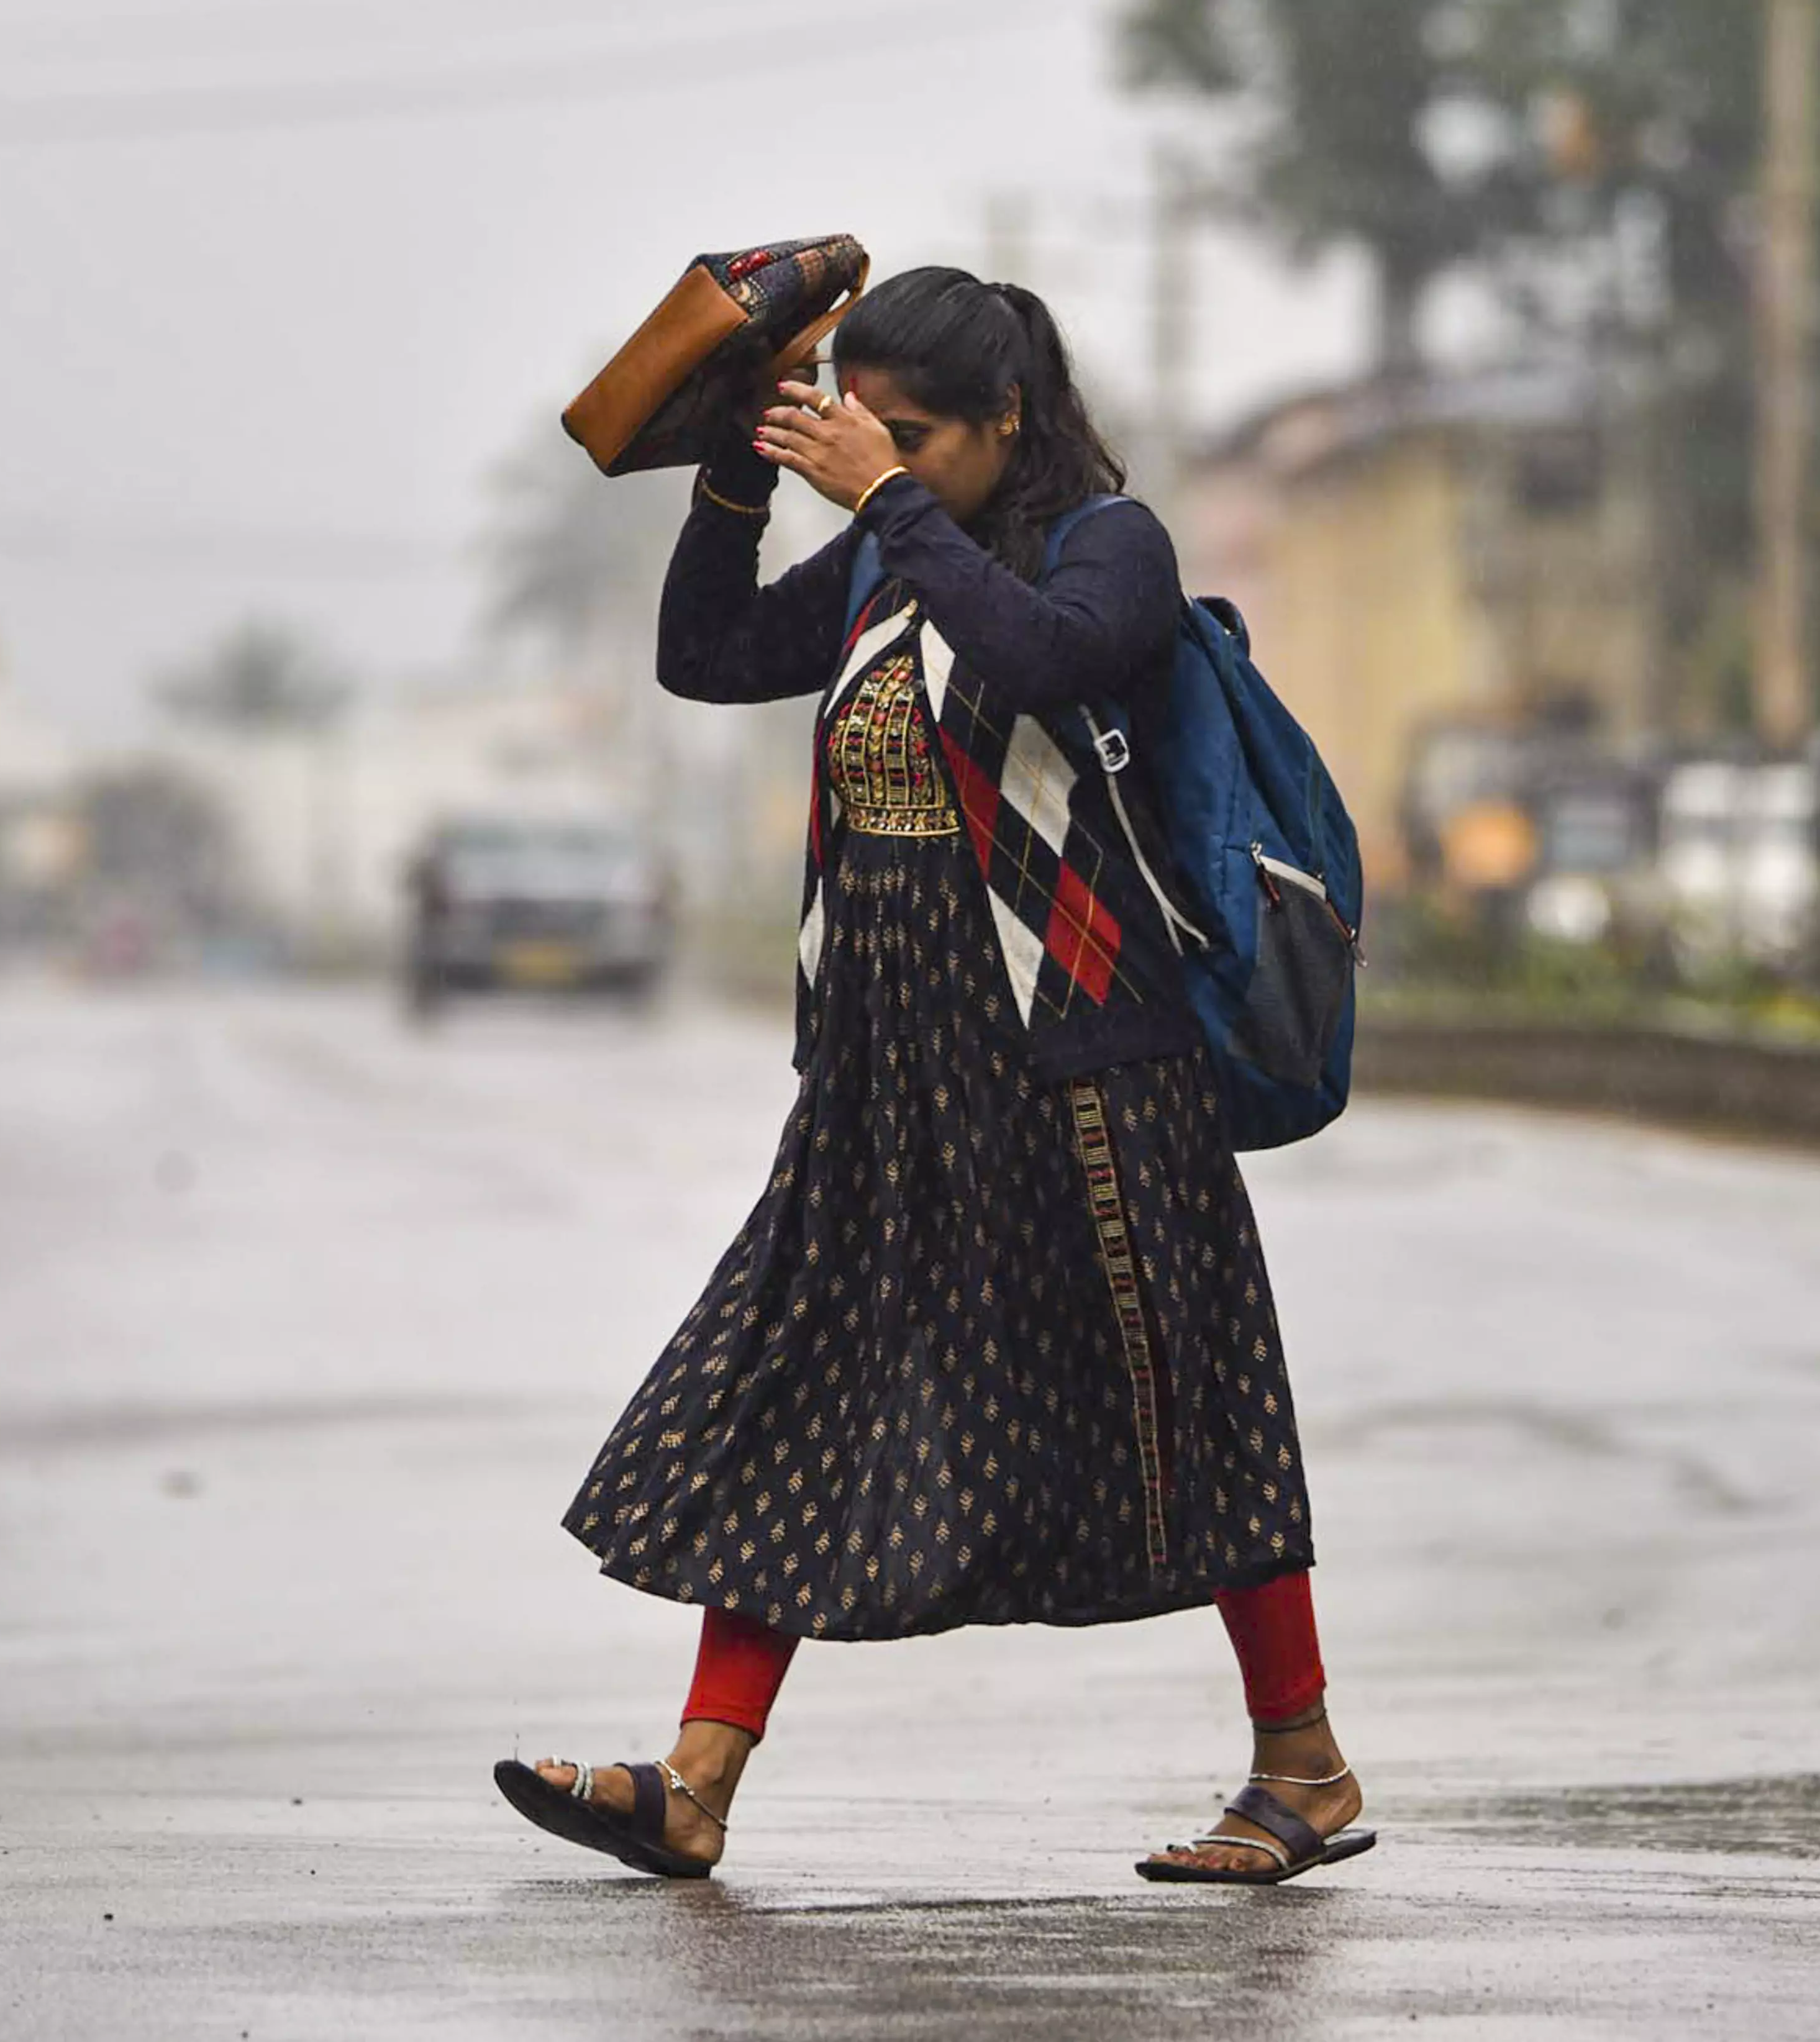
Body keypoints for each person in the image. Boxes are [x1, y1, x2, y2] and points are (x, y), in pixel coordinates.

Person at [494, 267, 1372, 1887]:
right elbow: (703, 655)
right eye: (862, 424)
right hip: (884, 1084)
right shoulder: (889, 563)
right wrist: (743, 469)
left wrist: (887, 498)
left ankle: (1303, 1766)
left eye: (913, 435)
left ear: (1004, 423)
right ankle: (694, 1784)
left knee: (1192, 1408)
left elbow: (1042, 660)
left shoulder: (1099, 546)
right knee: (792, 1388)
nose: (878, 456)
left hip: (1087, 1072)